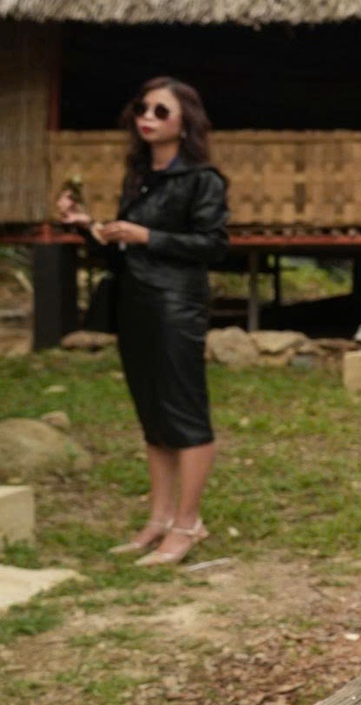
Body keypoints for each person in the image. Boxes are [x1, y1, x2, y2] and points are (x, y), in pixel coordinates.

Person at [55, 78, 230, 566]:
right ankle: (158, 519)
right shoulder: (142, 177)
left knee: (184, 412)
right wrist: (87, 227)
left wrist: (146, 234)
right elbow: (121, 253)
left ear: (184, 122)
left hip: (176, 306)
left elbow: (214, 245)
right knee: (153, 417)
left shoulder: (203, 180)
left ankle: (188, 523)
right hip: (135, 305)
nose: (147, 117)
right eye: (141, 108)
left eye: (160, 110)